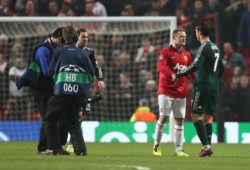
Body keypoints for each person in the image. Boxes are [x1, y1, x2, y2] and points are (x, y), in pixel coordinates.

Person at [173, 22, 224, 157]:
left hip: (202, 86)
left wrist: (178, 74)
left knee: (195, 115)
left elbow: (195, 66)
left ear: (199, 33)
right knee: (207, 117)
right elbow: (222, 68)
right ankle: (208, 149)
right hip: (213, 87)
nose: (195, 34)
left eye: (196, 32)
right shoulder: (215, 48)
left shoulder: (204, 47)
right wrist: (213, 79)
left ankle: (206, 147)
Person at [16, 27, 68, 154]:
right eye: (63, 40)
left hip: (48, 87)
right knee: (48, 117)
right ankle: (44, 148)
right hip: (40, 88)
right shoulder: (43, 50)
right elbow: (46, 72)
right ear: (57, 37)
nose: (64, 43)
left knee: (54, 116)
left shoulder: (54, 48)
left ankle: (53, 146)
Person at [45, 26, 95, 156]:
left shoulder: (58, 52)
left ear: (62, 38)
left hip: (62, 92)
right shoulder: (82, 54)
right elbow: (92, 72)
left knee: (50, 118)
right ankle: (81, 150)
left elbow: (50, 73)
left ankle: (55, 148)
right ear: (75, 38)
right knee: (73, 122)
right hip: (78, 94)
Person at [153, 28, 193, 157]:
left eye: (185, 36)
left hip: (181, 91)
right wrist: (172, 74)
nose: (184, 38)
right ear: (174, 38)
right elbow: (160, 67)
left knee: (180, 120)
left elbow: (191, 71)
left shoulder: (187, 55)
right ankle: (156, 146)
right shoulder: (165, 52)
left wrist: (198, 80)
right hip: (165, 89)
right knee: (164, 117)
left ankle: (179, 149)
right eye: (181, 36)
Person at [66, 28, 105, 153]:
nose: (86, 39)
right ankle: (69, 142)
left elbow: (96, 66)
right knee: (70, 114)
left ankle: (72, 142)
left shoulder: (89, 52)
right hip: (71, 87)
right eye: (83, 37)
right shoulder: (69, 50)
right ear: (77, 37)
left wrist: (100, 79)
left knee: (82, 114)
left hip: (85, 88)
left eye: (87, 37)